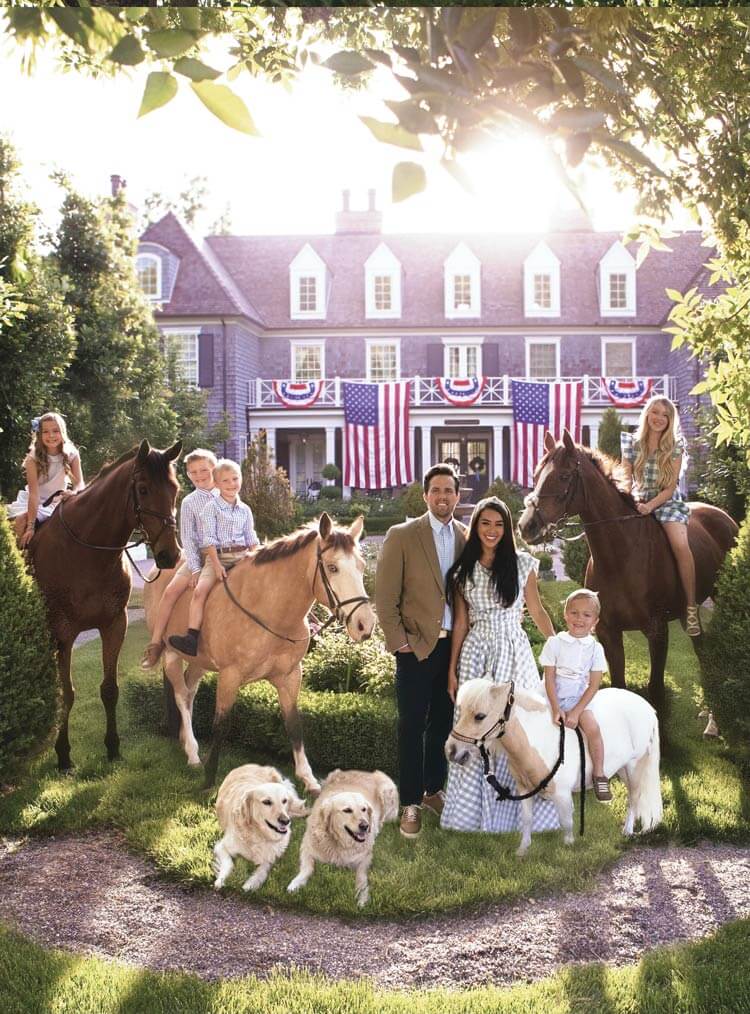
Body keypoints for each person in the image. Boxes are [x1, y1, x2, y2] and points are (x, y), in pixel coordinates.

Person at [440, 496, 559, 834]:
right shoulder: (463, 572)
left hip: (513, 650)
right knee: (473, 726)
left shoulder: (522, 564)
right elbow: (461, 623)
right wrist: (452, 670)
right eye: (484, 523)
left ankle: (523, 809)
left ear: (506, 529)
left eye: (498, 525)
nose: (491, 531)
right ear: (475, 527)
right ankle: (471, 815)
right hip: (477, 652)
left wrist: (557, 646)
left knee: (517, 728)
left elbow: (536, 611)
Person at [375, 463, 467, 839]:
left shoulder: (466, 536)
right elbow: (384, 597)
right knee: (411, 726)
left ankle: (432, 791)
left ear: (457, 496)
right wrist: (401, 643)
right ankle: (409, 803)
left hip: (453, 649)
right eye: (436, 491)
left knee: (442, 726)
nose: (442, 497)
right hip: (415, 649)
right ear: (425, 495)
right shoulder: (402, 535)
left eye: (449, 491)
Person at [620, 396, 700, 635]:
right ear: (647, 414)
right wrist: (632, 500)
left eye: (665, 415)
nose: (659, 418)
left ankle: (691, 606)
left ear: (670, 420)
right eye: (655, 412)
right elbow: (626, 479)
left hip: (665, 502)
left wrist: (650, 506)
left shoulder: (675, 445)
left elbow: (670, 488)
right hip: (638, 500)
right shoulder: (631, 442)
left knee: (679, 544)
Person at [169, 458, 259, 658]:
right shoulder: (210, 508)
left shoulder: (245, 509)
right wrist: (217, 565)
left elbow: (251, 537)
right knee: (200, 591)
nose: (231, 484)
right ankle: (191, 637)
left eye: (235, 479)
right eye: (225, 481)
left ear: (241, 479)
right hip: (218, 557)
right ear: (216, 485)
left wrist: (257, 559)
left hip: (243, 555)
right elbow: (209, 539)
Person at [140, 448, 218, 670]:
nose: (199, 475)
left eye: (204, 469)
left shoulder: (226, 493)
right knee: (170, 592)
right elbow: (188, 538)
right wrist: (194, 568)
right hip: (199, 556)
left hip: (228, 554)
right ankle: (156, 644)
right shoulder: (190, 502)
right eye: (193, 472)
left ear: (215, 469)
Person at [540, 588, 611, 801]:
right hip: (550, 696)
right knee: (539, 729)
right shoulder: (555, 643)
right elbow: (549, 678)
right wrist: (555, 708)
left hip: (578, 698)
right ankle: (541, 776)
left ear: (595, 621)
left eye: (586, 615)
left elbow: (594, 684)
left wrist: (576, 711)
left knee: (593, 728)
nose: (579, 619)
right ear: (565, 614)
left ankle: (599, 774)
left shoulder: (595, 649)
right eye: (574, 613)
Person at [7, 412, 84, 548]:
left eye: (55, 431)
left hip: (56, 502)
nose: (51, 436)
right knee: (21, 520)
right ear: (40, 434)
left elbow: (80, 484)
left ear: (63, 432)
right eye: (46, 432)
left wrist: (74, 492)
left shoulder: (72, 454)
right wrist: (31, 526)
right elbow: (34, 494)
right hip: (33, 501)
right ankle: (16, 560)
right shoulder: (33, 459)